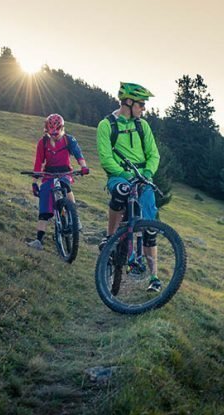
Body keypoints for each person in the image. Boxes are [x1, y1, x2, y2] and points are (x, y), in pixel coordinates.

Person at [96, 82, 162, 291]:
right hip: (119, 175)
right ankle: (110, 237)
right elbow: (106, 159)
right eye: (141, 104)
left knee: (151, 226)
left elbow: (153, 154)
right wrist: (124, 174)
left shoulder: (143, 126)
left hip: (143, 176)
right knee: (120, 192)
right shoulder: (106, 125)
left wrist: (148, 173)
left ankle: (154, 277)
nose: (144, 109)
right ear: (128, 102)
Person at [27, 113, 89, 250]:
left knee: (65, 185)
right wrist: (34, 182)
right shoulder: (43, 142)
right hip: (49, 174)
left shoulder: (69, 140)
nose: (55, 136)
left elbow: (78, 154)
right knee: (44, 197)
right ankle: (38, 240)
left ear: (62, 129)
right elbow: (38, 163)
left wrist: (83, 166)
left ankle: (74, 216)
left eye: (57, 133)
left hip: (65, 172)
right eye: (52, 133)